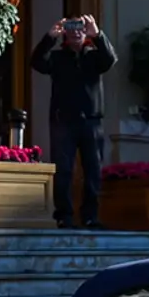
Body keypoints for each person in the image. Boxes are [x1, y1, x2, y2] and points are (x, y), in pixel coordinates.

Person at [30, 14, 116, 228]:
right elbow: (37, 62)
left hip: (91, 122)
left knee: (93, 171)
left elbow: (110, 59)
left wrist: (97, 34)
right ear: (65, 34)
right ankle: (64, 216)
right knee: (64, 170)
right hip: (64, 123)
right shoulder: (58, 58)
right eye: (71, 28)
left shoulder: (95, 57)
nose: (76, 32)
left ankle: (90, 216)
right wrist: (50, 37)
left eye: (80, 28)